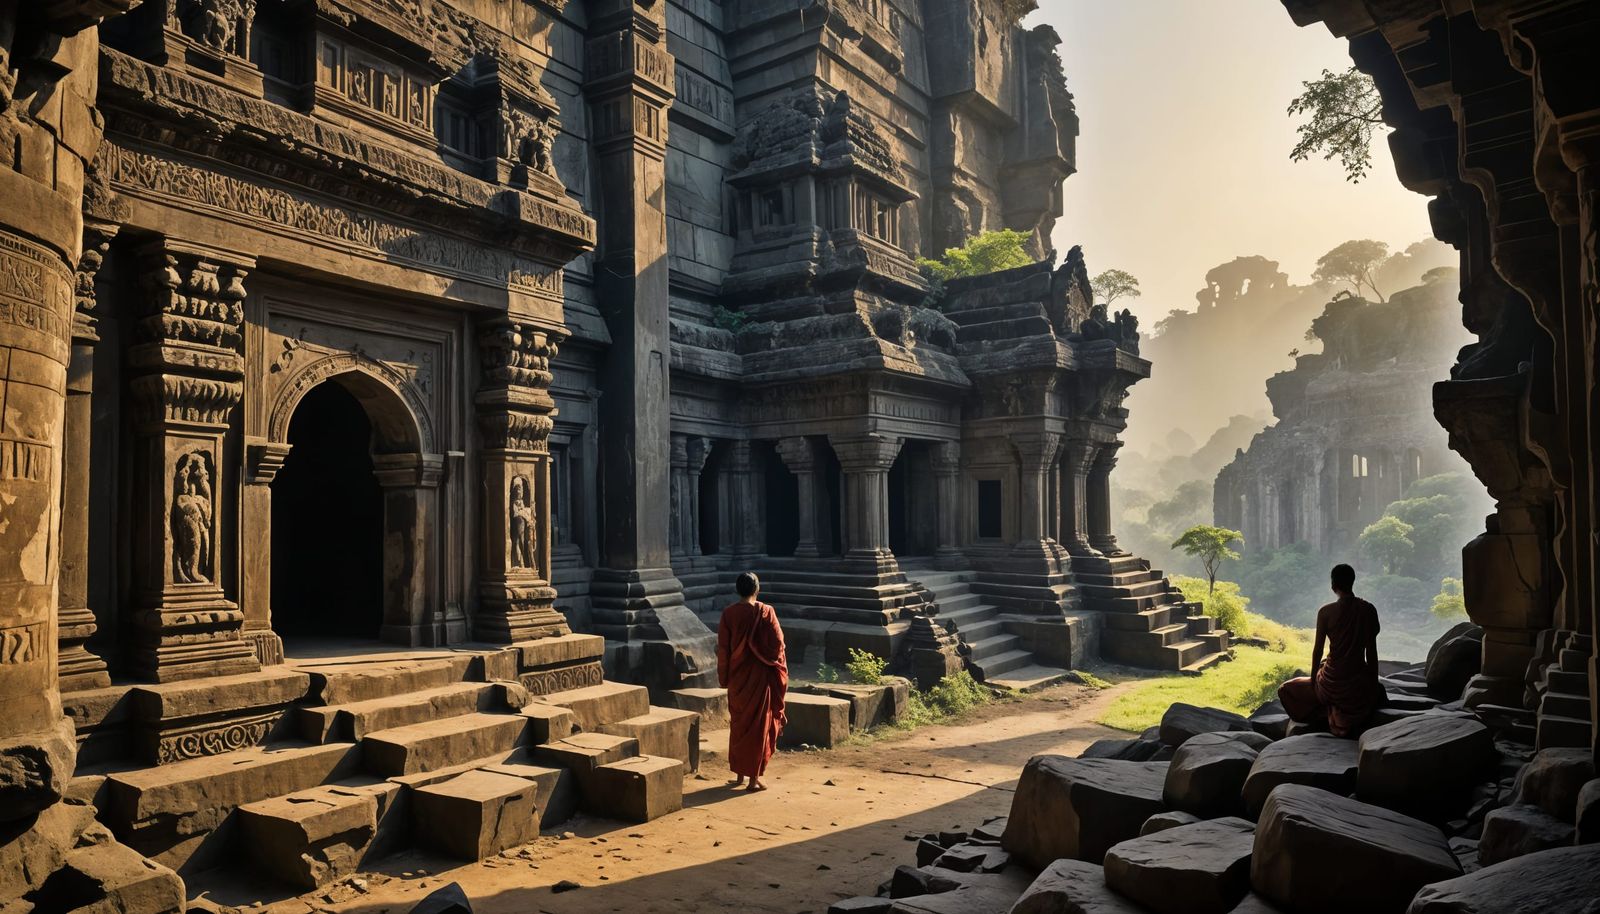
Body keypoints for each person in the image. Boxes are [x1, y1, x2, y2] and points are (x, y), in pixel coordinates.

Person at [1278, 563, 1383, 737]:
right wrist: (1371, 685)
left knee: (1285, 690)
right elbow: (1371, 652)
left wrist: (1313, 680)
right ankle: (1339, 713)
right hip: (1357, 681)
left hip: (1330, 681)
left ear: (1333, 586)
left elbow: (1317, 649)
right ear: (1352, 582)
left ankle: (1327, 712)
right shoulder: (1368, 610)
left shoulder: (1326, 612)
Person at [716, 572, 788, 791]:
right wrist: (773, 662)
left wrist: (724, 677)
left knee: (739, 725)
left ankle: (739, 775)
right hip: (760, 678)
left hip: (738, 679)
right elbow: (777, 645)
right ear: (757, 589)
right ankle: (753, 780)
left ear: (737, 590)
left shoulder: (728, 614)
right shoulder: (767, 612)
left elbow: (724, 649)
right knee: (758, 727)